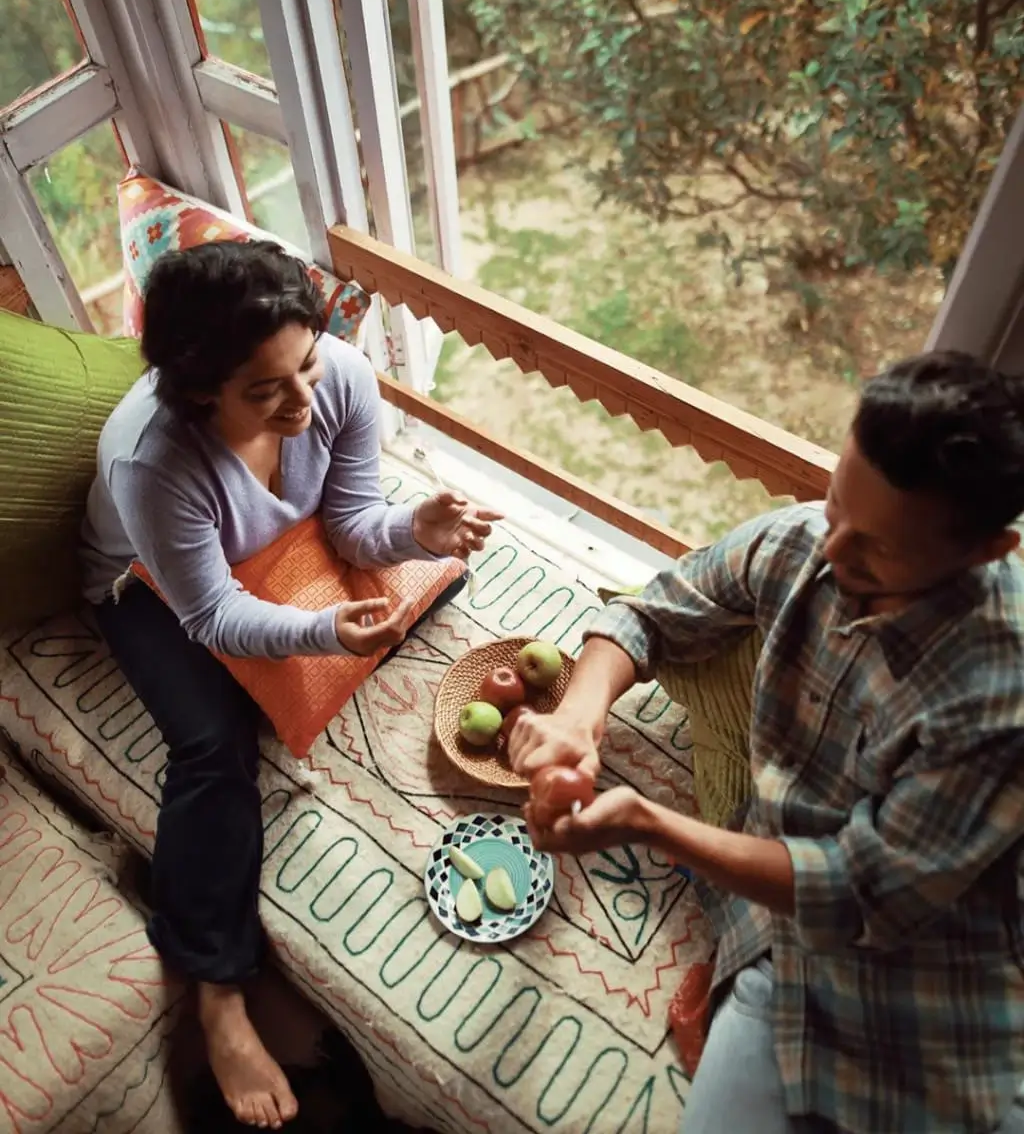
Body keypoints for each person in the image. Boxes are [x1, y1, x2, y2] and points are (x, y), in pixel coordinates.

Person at [509, 351, 1024, 1134]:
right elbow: (651, 615)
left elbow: (857, 891)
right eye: (834, 504)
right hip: (776, 942)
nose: (831, 553)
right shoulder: (800, 543)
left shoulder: (1000, 695)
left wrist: (647, 822)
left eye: (876, 548)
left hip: (935, 979)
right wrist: (579, 715)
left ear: (989, 553)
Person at [80, 240, 500, 1130]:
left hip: (260, 553)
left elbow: (349, 525)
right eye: (265, 392)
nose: (304, 402)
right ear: (200, 395)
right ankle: (219, 994)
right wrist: (318, 631)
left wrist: (417, 529)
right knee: (214, 745)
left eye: (304, 364)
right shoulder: (152, 464)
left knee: (431, 584)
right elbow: (217, 619)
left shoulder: (337, 377)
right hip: (144, 586)